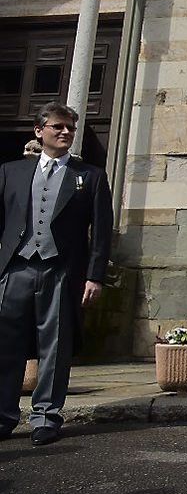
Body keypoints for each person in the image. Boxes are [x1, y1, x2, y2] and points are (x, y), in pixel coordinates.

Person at [0, 102, 113, 446]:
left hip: (61, 271)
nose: (65, 133)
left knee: (55, 345)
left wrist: (94, 276)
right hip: (15, 268)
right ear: (39, 131)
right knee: (6, 345)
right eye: (58, 127)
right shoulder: (12, 171)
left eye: (70, 128)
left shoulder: (90, 176)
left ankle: (46, 416)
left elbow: (102, 232)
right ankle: (3, 416)